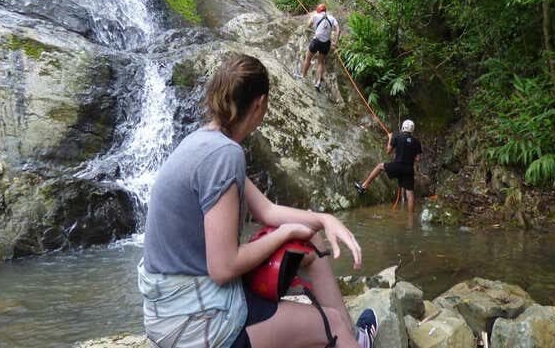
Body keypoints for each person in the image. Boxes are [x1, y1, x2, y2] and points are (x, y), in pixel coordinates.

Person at [138, 53, 379, 348]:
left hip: (171, 309)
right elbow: (224, 267)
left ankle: (352, 340)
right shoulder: (224, 155)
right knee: (334, 324)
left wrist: (324, 220)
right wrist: (286, 233)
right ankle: (347, 336)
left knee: (312, 242)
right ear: (260, 104)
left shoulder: (203, 142)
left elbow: (267, 210)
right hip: (197, 322)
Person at [354, 119, 422, 213]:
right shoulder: (416, 142)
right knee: (410, 193)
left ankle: (364, 186)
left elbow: (388, 151)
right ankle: (410, 220)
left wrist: (390, 137)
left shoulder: (397, 137)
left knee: (380, 166)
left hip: (397, 166)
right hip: (408, 169)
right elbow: (418, 159)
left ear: (403, 127)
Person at [297, 4, 340, 91]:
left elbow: (308, 25)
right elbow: (338, 30)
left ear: (318, 10)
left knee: (308, 58)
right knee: (321, 62)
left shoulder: (315, 16)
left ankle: (303, 76)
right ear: (325, 11)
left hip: (316, 41)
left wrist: (311, 24)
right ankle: (318, 83)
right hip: (326, 43)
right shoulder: (332, 18)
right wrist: (335, 42)